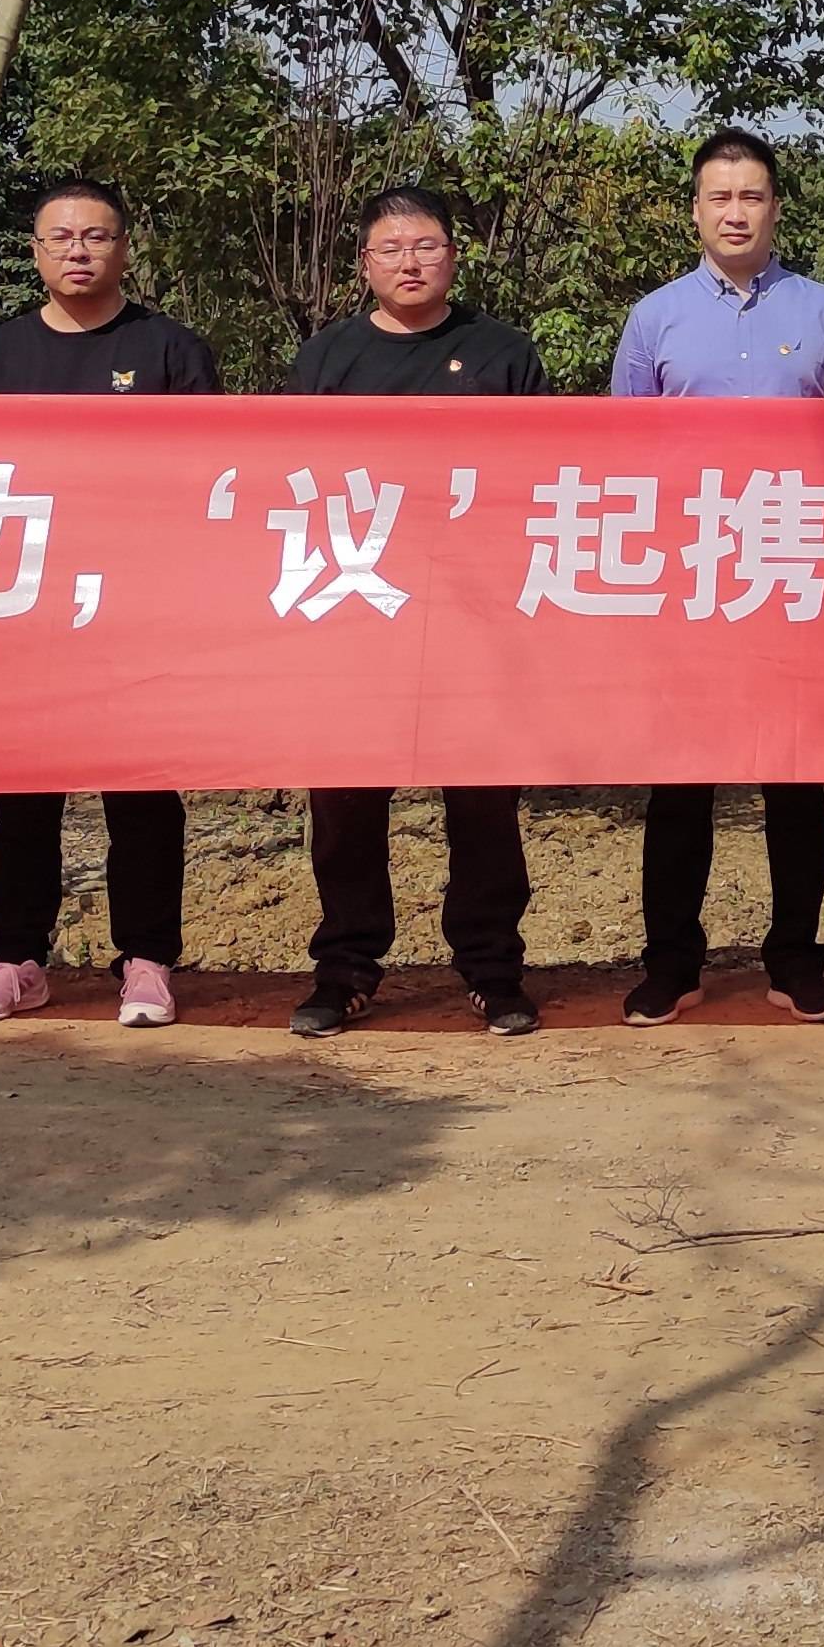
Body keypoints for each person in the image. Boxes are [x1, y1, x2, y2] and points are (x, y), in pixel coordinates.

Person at [609, 128, 824, 1025]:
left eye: (751, 196)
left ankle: (796, 959)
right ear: (695, 211)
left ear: (775, 209)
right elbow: (626, 457)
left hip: (793, 574)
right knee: (681, 781)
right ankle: (670, 964)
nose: (735, 213)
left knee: (795, 778)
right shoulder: (654, 319)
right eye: (719, 197)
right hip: (688, 580)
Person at [285, 187, 550, 1038]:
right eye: (392, 248)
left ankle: (493, 970)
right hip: (354, 609)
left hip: (474, 614)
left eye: (427, 246)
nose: (410, 261)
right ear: (365, 263)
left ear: (453, 257)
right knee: (346, 803)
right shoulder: (327, 358)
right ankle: (346, 969)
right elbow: (288, 479)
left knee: (482, 802)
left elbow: (543, 479)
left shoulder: (502, 354)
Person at [0, 177, 215, 1023]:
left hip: (137, 611)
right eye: (61, 237)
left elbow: (208, 478)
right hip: (27, 608)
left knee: (141, 794)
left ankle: (146, 960)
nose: (78, 250)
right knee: (26, 793)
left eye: (96, 236)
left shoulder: (171, 351)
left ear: (124, 249)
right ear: (35, 252)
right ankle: (18, 959)